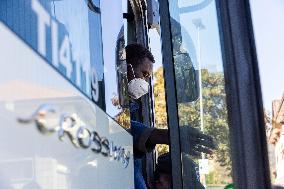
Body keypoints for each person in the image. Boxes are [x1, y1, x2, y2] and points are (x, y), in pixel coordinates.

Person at [126, 43, 215, 189]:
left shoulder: (134, 107)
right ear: (126, 68)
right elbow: (120, 129)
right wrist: (167, 136)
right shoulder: (112, 104)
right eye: (144, 74)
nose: (146, 82)